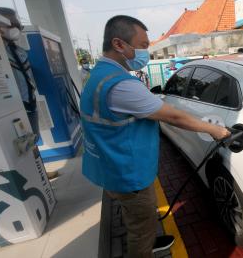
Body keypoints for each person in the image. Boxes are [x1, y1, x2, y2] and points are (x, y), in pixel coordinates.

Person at [80, 15, 230, 258]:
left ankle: (146, 234)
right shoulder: (121, 85)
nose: (146, 52)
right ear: (119, 44)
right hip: (128, 174)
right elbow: (174, 117)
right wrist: (215, 130)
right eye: (142, 45)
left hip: (109, 166)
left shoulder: (100, 74)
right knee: (141, 228)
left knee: (137, 218)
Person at [0, 7, 58, 180]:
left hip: (29, 103)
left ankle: (40, 173)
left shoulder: (19, 50)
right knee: (16, 147)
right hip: (10, 108)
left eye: (19, 25)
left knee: (32, 140)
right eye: (14, 24)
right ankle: (31, 177)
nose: (19, 28)